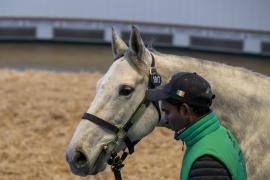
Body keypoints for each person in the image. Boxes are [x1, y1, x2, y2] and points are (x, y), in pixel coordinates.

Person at [146, 72, 247, 180]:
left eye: (167, 112)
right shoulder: (221, 133)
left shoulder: (206, 164)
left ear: (185, 110)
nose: (165, 120)